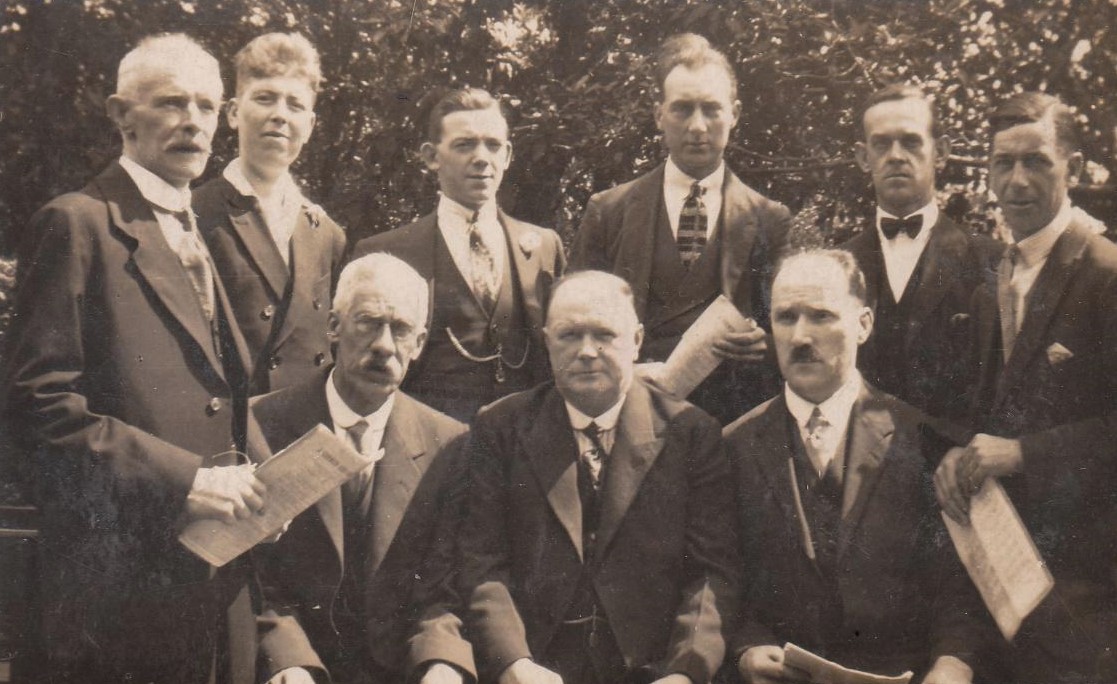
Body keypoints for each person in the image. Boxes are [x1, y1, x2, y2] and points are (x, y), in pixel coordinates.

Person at [2, 34, 264, 683]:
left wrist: (268, 489)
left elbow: (219, 398)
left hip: (208, 590)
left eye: (207, 106)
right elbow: (39, 412)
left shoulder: (196, 232)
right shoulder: (78, 224)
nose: (193, 121)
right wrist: (188, 480)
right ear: (121, 115)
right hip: (114, 601)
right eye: (172, 102)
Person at [458, 271, 739, 684]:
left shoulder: (692, 433)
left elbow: (711, 572)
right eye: (569, 335)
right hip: (533, 667)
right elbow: (482, 562)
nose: (587, 351)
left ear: (637, 341)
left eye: (604, 335)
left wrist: (686, 671)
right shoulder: (501, 427)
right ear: (547, 341)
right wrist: (512, 662)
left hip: (653, 671)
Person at [724, 250, 982, 684]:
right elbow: (718, 577)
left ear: (863, 324)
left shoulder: (920, 439)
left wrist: (953, 663)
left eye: (821, 316)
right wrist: (745, 649)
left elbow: (957, 584)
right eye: (786, 317)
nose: (800, 336)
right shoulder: (733, 445)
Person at [934, 92, 1117, 683]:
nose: (1017, 180)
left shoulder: (1107, 272)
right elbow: (988, 411)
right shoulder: (995, 281)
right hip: (1004, 584)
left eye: (1036, 161)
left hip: (1092, 595)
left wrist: (1024, 454)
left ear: (1073, 167)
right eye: (1002, 163)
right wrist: (956, 454)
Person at [251, 253, 474, 684]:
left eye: (401, 329)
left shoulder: (448, 443)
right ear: (334, 326)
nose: (384, 345)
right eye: (369, 322)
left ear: (419, 343)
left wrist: (440, 663)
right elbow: (254, 575)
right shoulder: (261, 425)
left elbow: (442, 587)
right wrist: (289, 662)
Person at [570, 33, 791, 424]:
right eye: (682, 109)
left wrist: (764, 344)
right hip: (629, 414)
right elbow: (572, 324)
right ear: (659, 115)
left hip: (730, 422)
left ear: (735, 114)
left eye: (711, 109)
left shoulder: (768, 219)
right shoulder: (609, 211)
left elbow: (790, 331)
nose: (698, 126)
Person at [352, 87, 564, 422]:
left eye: (493, 145)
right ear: (431, 156)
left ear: (508, 155)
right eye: (464, 145)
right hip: (426, 437)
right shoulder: (387, 251)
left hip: (521, 436)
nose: (481, 157)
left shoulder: (544, 247)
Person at [196, 32, 346, 395]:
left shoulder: (326, 233)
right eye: (265, 98)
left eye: (295, 105)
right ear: (233, 113)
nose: (280, 115)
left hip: (305, 419)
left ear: (309, 126)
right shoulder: (196, 212)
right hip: (228, 417)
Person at [842, 84, 1000, 422]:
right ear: (863, 158)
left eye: (911, 142)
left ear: (940, 152)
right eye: (881, 144)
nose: (896, 156)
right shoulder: (838, 267)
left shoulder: (991, 261)